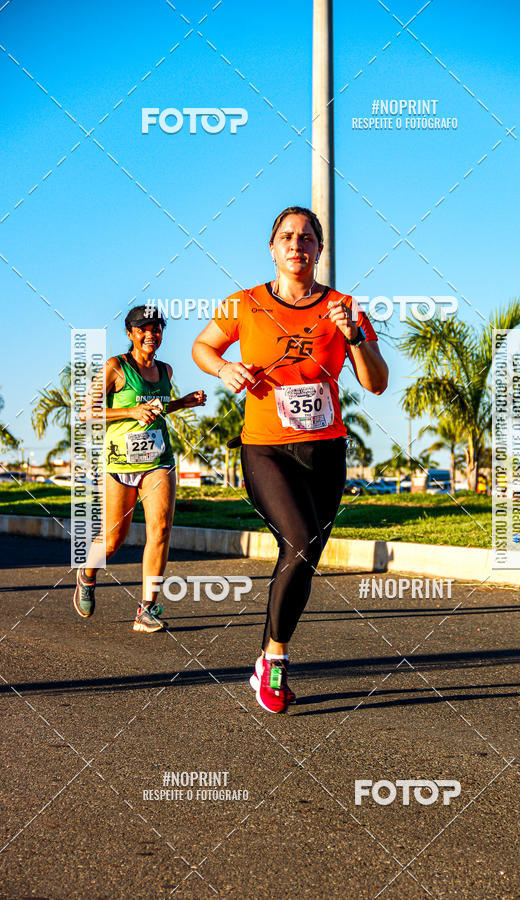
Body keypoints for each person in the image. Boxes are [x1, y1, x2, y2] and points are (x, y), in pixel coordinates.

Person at [192, 206, 388, 713]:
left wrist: (354, 335)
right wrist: (224, 369)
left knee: (303, 557)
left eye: (307, 238)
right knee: (299, 543)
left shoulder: (344, 307)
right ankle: (275, 662)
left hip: (326, 451)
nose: (297, 245)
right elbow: (203, 347)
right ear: (272, 248)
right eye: (286, 237)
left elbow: (376, 382)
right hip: (265, 449)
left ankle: (264, 657)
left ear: (319, 250)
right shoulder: (245, 304)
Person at [73, 305, 207, 632]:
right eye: (143, 329)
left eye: (157, 328)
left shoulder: (166, 371)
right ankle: (87, 575)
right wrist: (130, 412)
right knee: (114, 539)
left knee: (160, 529)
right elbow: (85, 414)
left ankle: (147, 608)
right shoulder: (116, 368)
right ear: (131, 333)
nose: (151, 334)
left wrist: (183, 403)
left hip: (158, 461)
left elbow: (156, 409)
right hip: (120, 461)